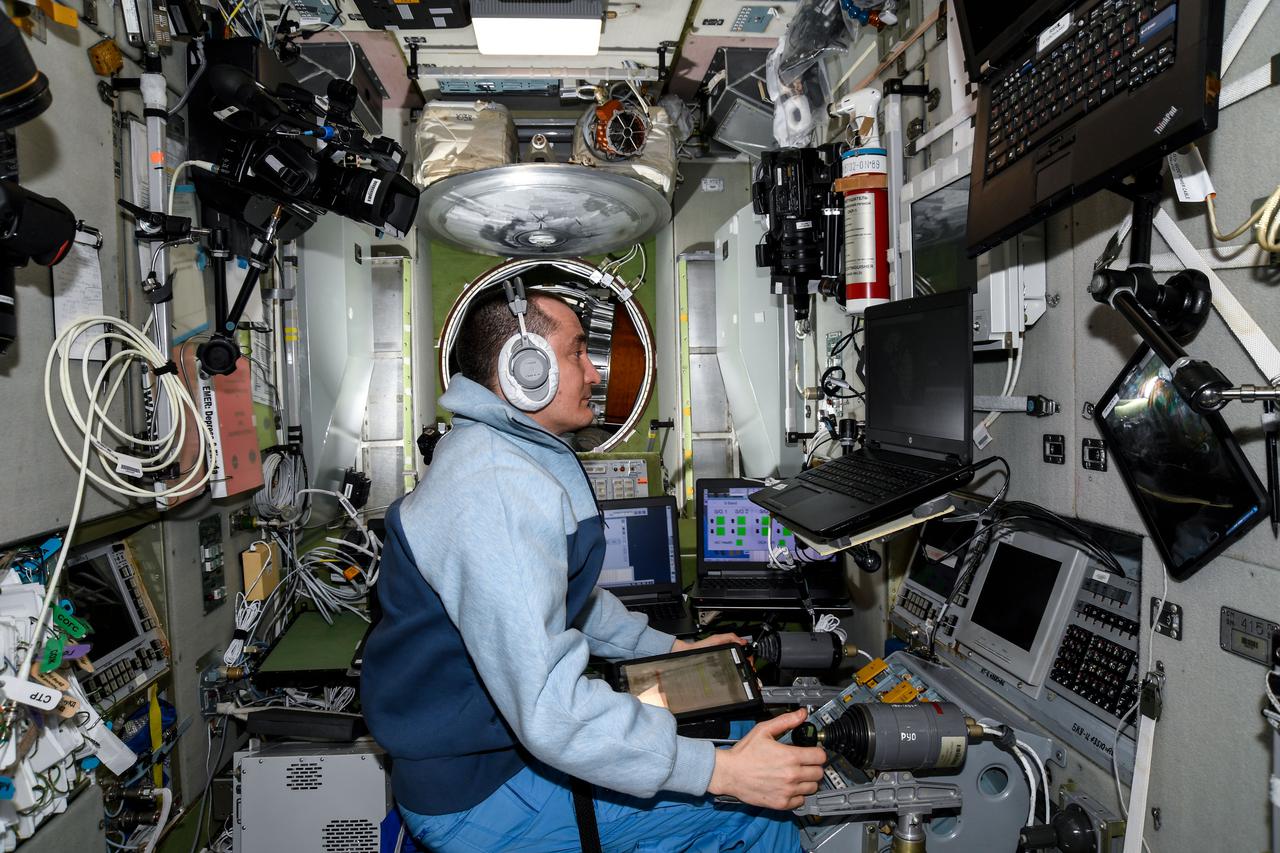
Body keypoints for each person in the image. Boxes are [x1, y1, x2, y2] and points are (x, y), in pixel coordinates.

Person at [361, 286, 827, 852]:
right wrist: (722, 774)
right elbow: (549, 708)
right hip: (481, 793)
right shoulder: (495, 487)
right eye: (577, 352)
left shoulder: (505, 453)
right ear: (524, 369)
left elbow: (565, 599)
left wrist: (671, 649)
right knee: (758, 810)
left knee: (735, 732)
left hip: (493, 758)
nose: (595, 373)